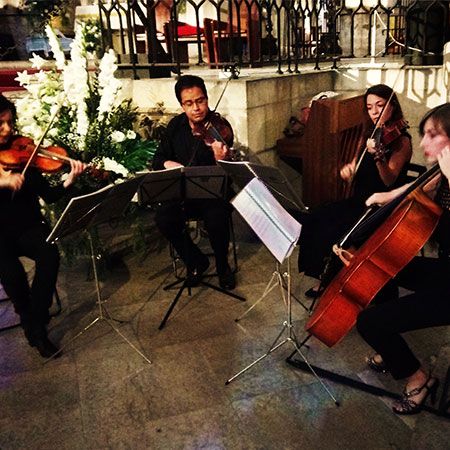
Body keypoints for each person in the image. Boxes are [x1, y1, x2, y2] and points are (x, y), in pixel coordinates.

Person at [356, 103, 450, 414]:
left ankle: (419, 379)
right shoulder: (441, 174)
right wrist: (385, 196)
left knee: (367, 322)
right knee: (387, 268)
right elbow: (417, 185)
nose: (423, 144)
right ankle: (390, 343)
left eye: (432, 135)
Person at [297, 84, 412, 296]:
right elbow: (356, 165)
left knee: (336, 230)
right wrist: (349, 169)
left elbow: (388, 181)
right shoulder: (372, 132)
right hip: (359, 200)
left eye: (380, 105)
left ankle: (340, 281)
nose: (375, 112)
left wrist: (378, 156)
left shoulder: (401, 141)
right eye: (369, 107)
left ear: (392, 106)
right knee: (316, 218)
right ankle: (324, 277)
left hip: (380, 207)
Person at [0, 93, 85, 358]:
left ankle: (35, 322)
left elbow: (48, 195)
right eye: (0, 124)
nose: (7, 129)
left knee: (49, 253)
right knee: (12, 276)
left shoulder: (24, 150)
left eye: (9, 122)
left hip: (27, 226)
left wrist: (69, 180)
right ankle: (31, 323)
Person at [152, 75, 236, 290]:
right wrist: (171, 164)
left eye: (201, 101)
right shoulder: (175, 126)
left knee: (216, 217)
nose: (197, 108)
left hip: (213, 194)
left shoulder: (220, 128)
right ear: (182, 105)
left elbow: (229, 172)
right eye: (189, 104)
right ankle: (195, 260)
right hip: (183, 193)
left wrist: (220, 158)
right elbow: (158, 159)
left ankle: (222, 266)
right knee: (164, 218)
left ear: (207, 99)